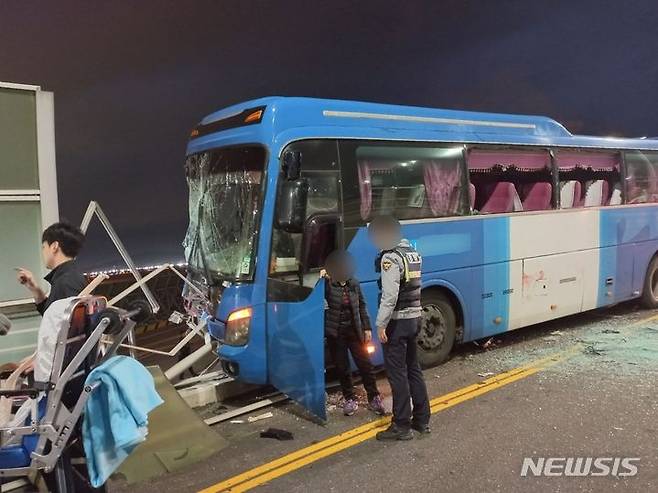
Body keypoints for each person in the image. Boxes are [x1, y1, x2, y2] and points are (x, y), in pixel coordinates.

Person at [368, 215, 430, 440]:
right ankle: (422, 420)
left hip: (398, 321)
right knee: (414, 369)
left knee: (397, 375)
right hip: (415, 318)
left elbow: (390, 295)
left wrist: (381, 323)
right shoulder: (412, 253)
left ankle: (401, 425)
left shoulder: (391, 258)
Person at [322, 249, 385, 416]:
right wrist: (321, 278)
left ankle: (374, 397)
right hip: (336, 332)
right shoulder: (328, 285)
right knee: (342, 367)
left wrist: (367, 328)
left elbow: (362, 306)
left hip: (354, 330)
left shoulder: (354, 284)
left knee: (365, 364)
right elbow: (315, 298)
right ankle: (350, 398)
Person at [16, 221, 87, 315]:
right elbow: (53, 318)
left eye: (43, 247)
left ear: (54, 247)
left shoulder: (66, 283)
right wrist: (34, 288)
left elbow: (65, 327)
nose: (42, 252)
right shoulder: (69, 277)